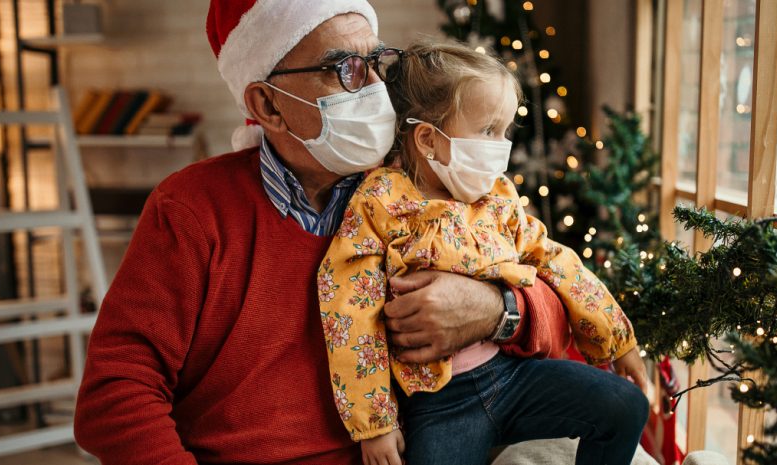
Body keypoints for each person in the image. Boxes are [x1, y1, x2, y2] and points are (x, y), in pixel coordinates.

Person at [73, 2, 606, 464]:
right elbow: (115, 395)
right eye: (344, 69)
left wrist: (497, 311)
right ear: (268, 105)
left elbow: (558, 303)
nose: (376, 89)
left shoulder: (422, 190)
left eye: (376, 62)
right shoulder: (190, 211)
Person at [318, 40, 650, 465]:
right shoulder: (380, 203)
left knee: (624, 406)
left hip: (513, 377)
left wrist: (617, 341)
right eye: (489, 130)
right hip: (440, 404)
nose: (501, 144)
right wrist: (375, 424)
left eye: (506, 130)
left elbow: (553, 259)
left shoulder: (496, 197)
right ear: (428, 140)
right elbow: (349, 311)